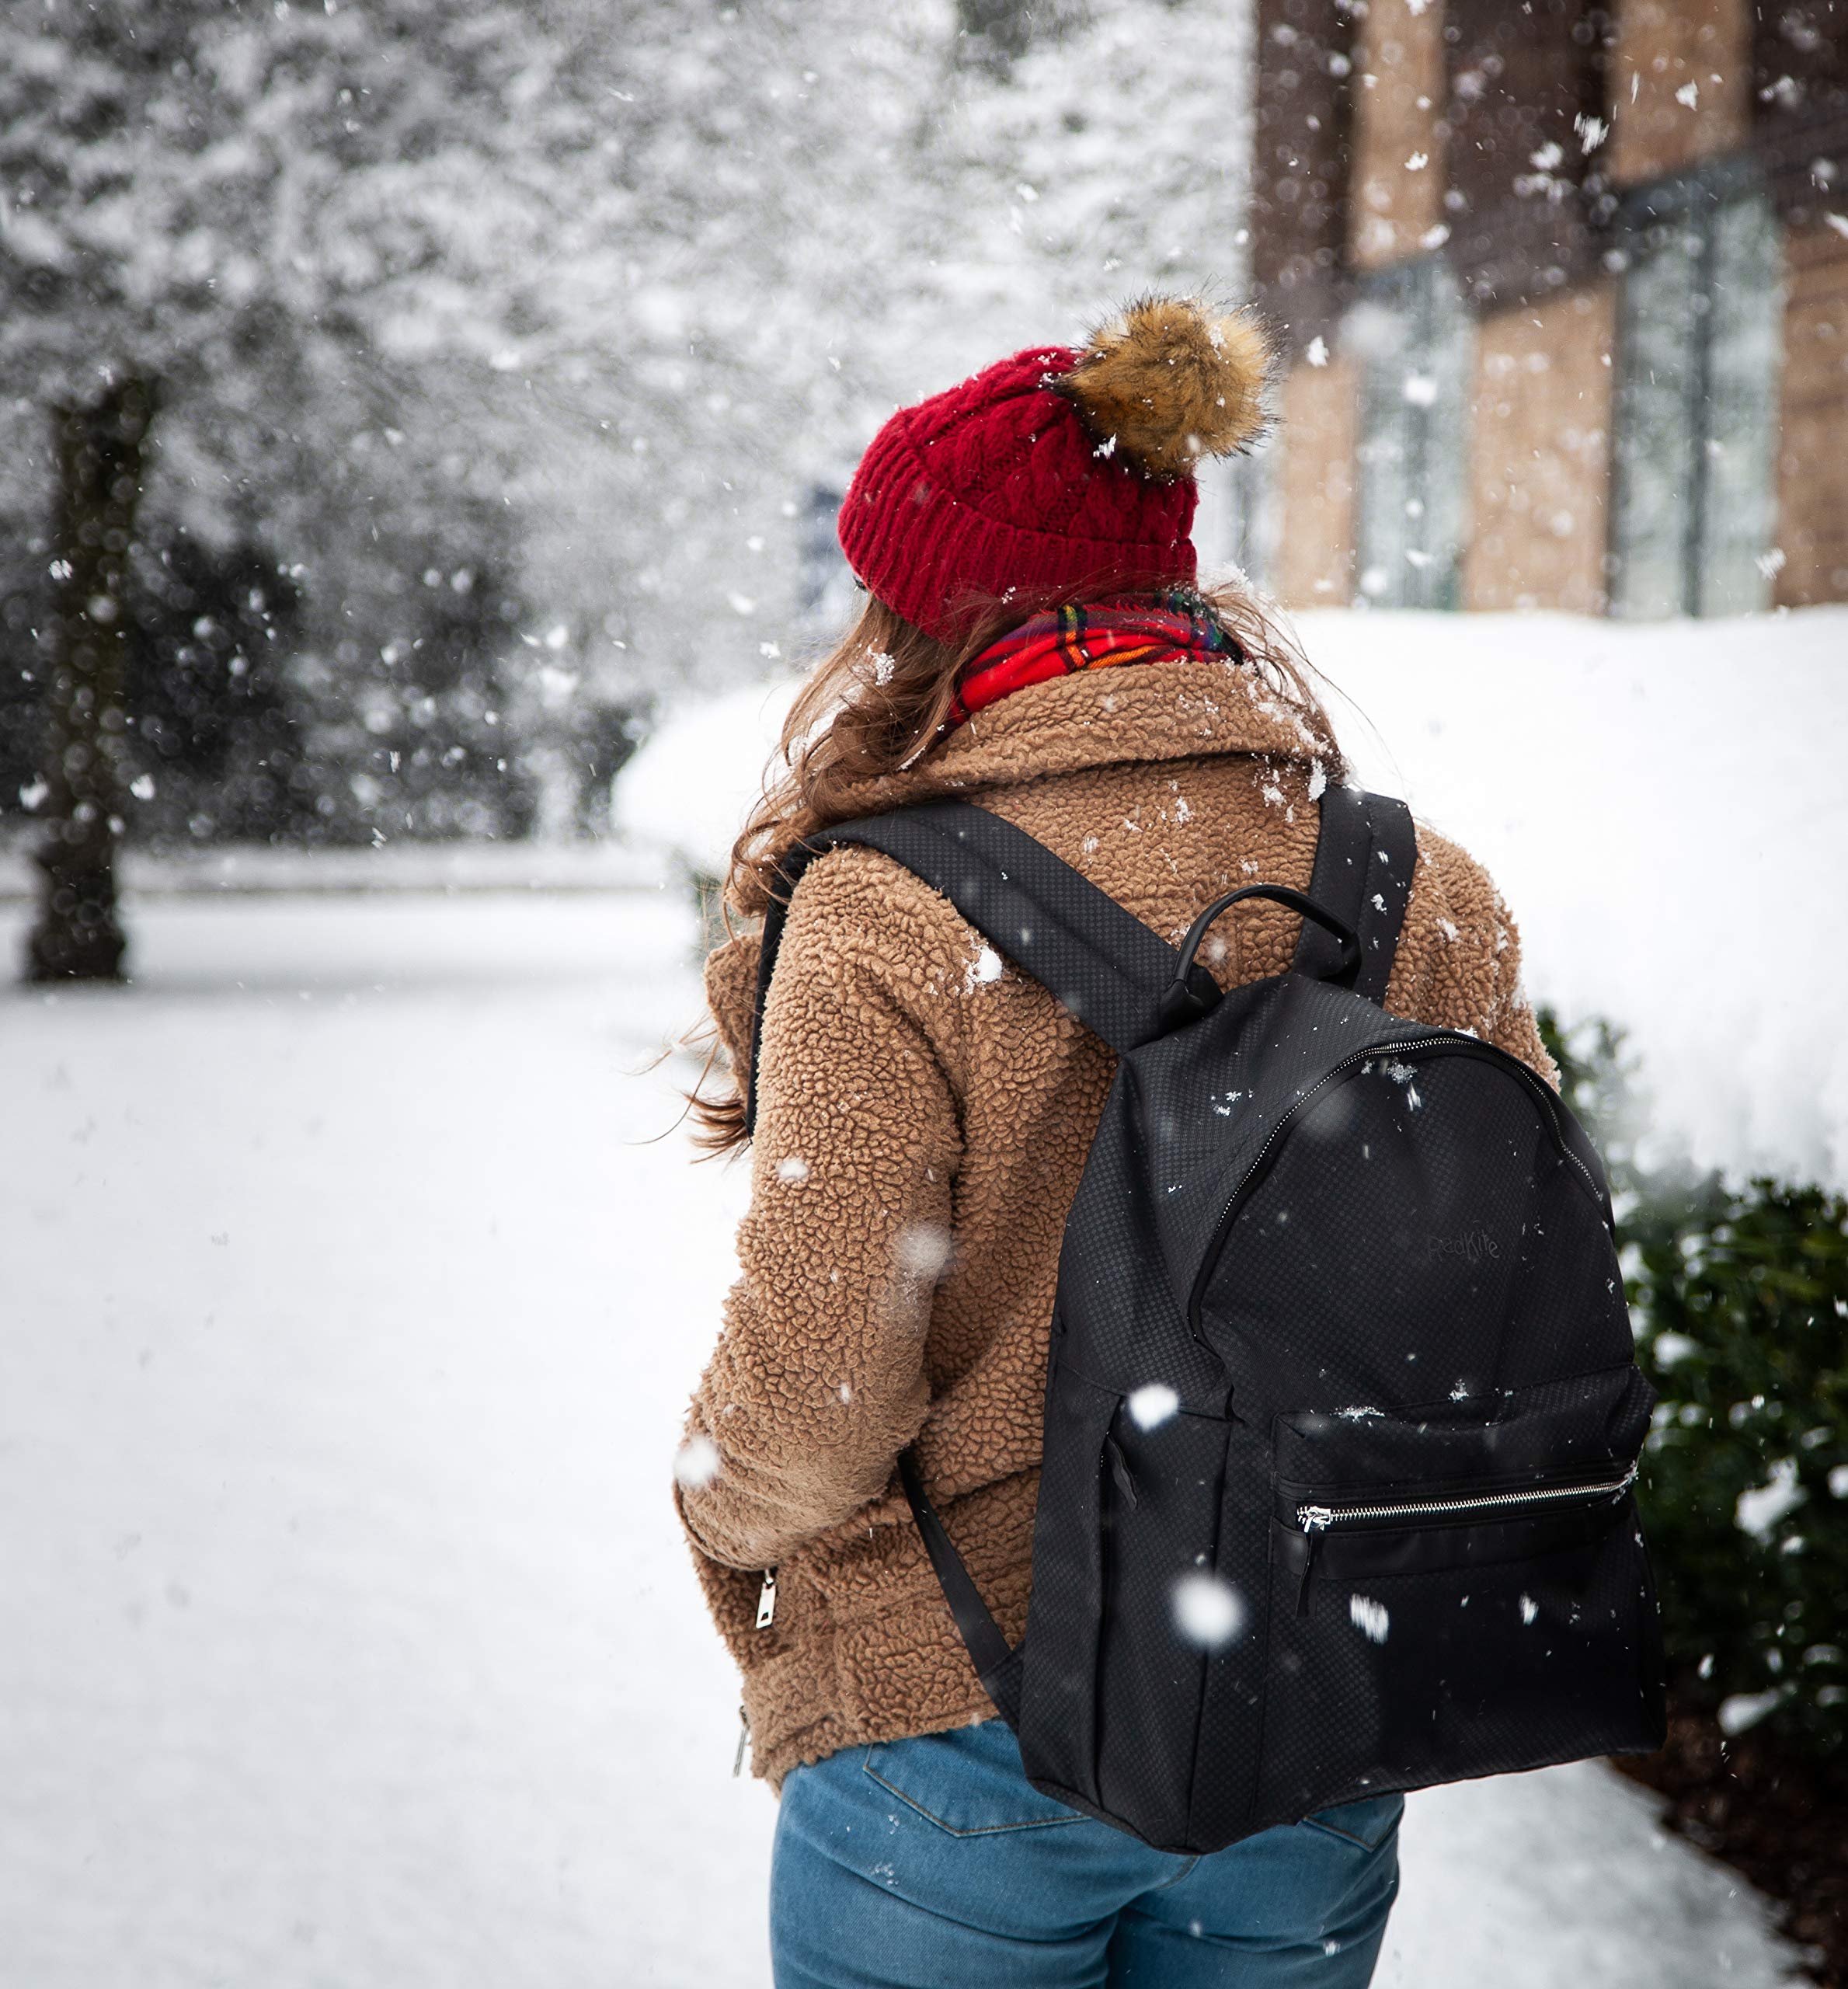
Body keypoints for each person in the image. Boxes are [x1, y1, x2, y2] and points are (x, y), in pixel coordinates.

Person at [673, 296, 1557, 1987]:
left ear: (924, 613)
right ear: (1170, 584)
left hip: (958, 1720)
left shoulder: (877, 911)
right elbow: (1507, 1286)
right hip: (1302, 1712)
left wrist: (725, 1513)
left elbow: (814, 1392)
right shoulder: (1416, 883)